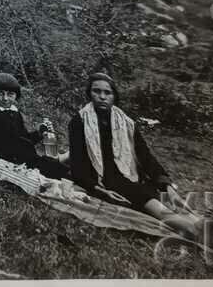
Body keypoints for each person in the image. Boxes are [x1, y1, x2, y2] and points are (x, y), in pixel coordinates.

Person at [59, 72, 204, 241]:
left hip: (128, 173)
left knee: (159, 192)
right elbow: (77, 164)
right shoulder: (79, 121)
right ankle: (194, 231)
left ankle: (202, 223)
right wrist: (98, 189)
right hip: (100, 177)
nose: (102, 97)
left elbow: (145, 156)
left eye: (107, 93)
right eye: (96, 91)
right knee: (142, 195)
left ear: (115, 96)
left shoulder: (126, 122)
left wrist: (167, 185)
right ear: (89, 94)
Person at [0, 73, 71, 178]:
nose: (5, 98)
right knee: (54, 170)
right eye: (0, 93)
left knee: (54, 166)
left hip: (21, 157)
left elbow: (23, 139)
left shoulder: (14, 113)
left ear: (16, 96)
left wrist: (40, 133)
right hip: (4, 161)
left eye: (10, 94)